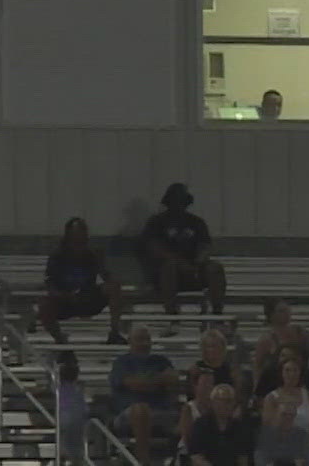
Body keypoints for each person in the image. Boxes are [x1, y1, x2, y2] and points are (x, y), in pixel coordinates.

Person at [142, 182, 227, 315]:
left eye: (182, 201)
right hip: (165, 274)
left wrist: (198, 262)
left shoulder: (196, 222)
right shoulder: (156, 222)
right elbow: (153, 247)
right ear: (168, 202)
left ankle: (217, 314)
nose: (179, 204)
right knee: (169, 267)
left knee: (215, 268)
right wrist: (179, 262)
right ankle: (172, 315)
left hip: (193, 270)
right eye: (175, 200)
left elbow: (205, 245)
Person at [40, 216, 126, 344]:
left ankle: (114, 333)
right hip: (65, 300)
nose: (80, 241)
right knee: (44, 305)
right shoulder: (57, 256)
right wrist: (64, 295)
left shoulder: (92, 255)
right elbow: (50, 283)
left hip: (86, 298)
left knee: (114, 287)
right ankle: (60, 340)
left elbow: (106, 277)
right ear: (68, 237)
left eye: (83, 237)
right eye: (76, 238)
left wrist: (104, 268)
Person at [110, 324, 182, 465]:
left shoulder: (161, 361)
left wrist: (146, 383)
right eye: (139, 339)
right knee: (141, 409)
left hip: (162, 412)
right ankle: (143, 461)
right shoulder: (122, 363)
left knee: (190, 411)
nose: (144, 343)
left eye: (146, 339)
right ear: (130, 342)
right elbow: (136, 384)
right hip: (127, 415)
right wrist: (159, 380)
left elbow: (173, 380)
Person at [256, 354, 309, 466]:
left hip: (305, 443)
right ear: (281, 373)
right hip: (280, 444)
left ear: (300, 373)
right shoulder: (271, 398)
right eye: (287, 370)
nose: (291, 374)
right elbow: (268, 428)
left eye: (295, 370)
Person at [188, 382, 254, 466]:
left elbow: (243, 459)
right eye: (221, 401)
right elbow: (196, 457)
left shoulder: (241, 428)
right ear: (213, 403)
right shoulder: (201, 425)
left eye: (229, 401)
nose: (225, 405)